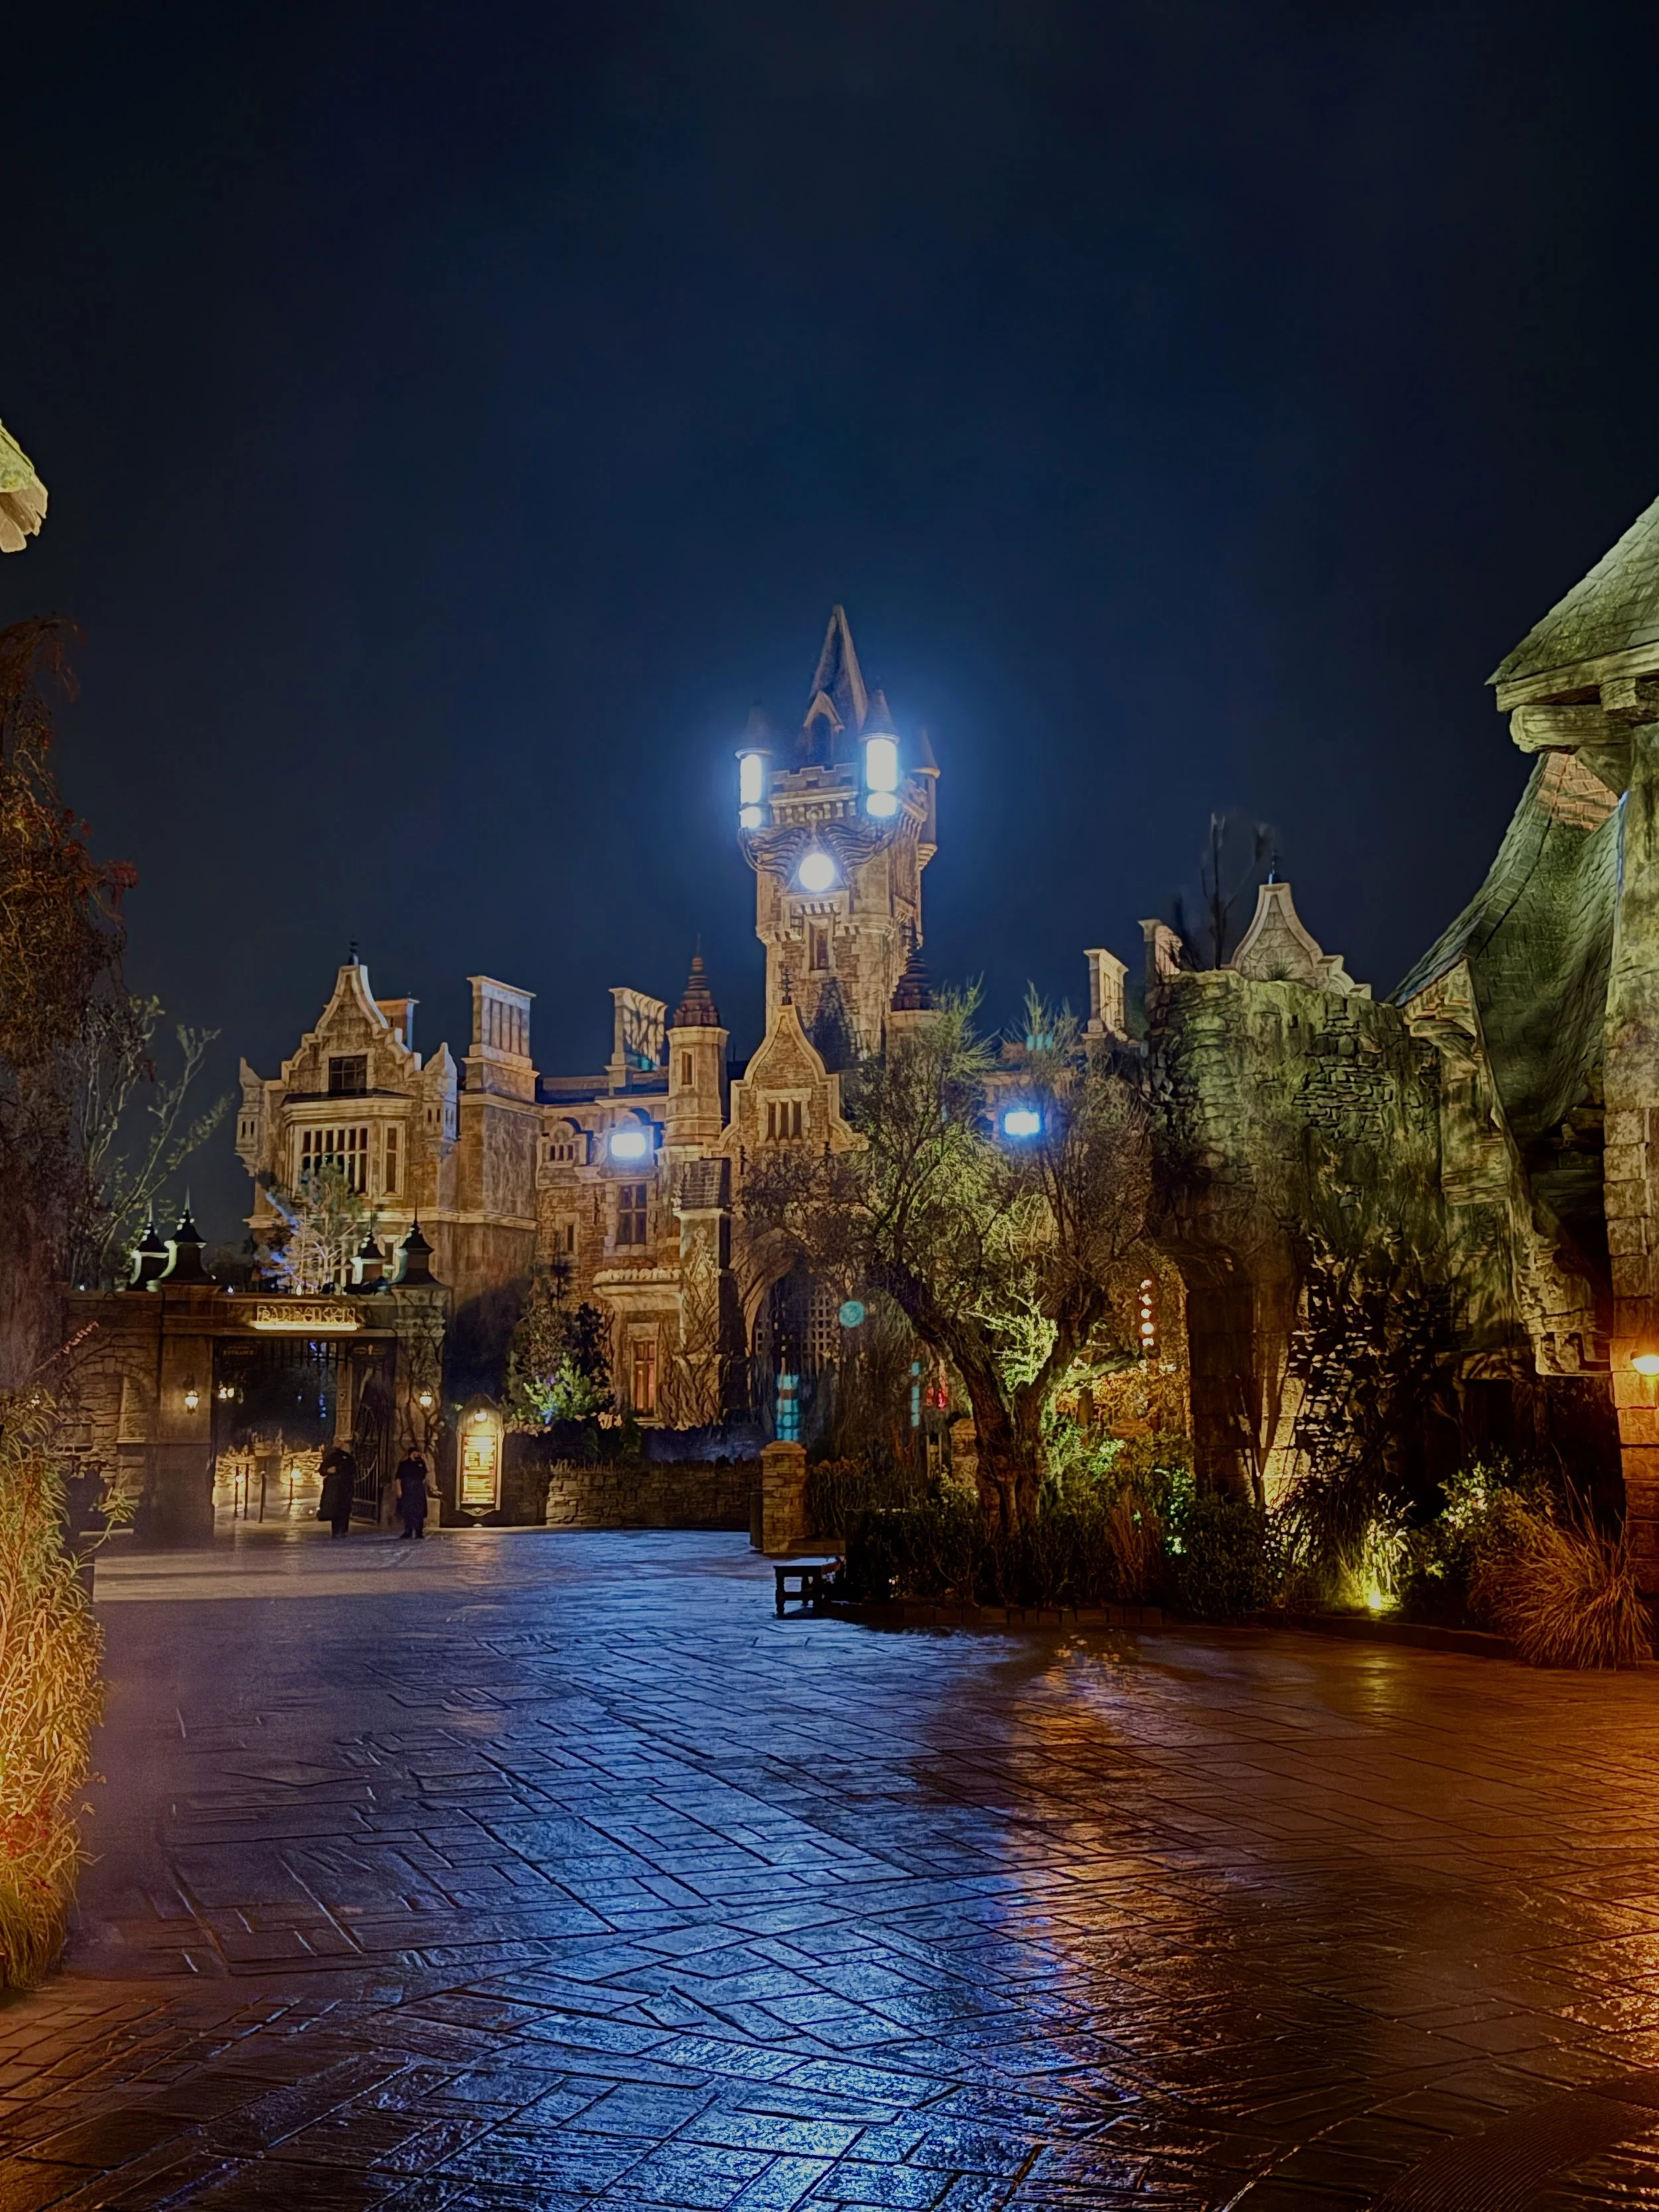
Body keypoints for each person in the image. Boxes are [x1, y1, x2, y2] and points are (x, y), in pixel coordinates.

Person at [317, 1445, 356, 1538]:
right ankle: (338, 1531)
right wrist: (328, 1471)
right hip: (334, 1487)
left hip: (344, 1487)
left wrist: (336, 1470)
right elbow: (322, 1470)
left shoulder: (348, 1458)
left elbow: (352, 1470)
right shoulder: (332, 1457)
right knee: (337, 1509)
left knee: (343, 1508)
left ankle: (342, 1531)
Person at [394, 1451, 429, 1540]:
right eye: (414, 1453)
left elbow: (428, 1471)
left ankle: (419, 1532)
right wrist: (399, 1490)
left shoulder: (421, 1464)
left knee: (419, 1511)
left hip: (418, 1490)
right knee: (408, 1511)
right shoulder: (404, 1465)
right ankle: (408, 1531)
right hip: (407, 1490)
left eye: (418, 1454)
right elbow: (398, 1478)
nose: (416, 1455)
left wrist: (425, 1459)